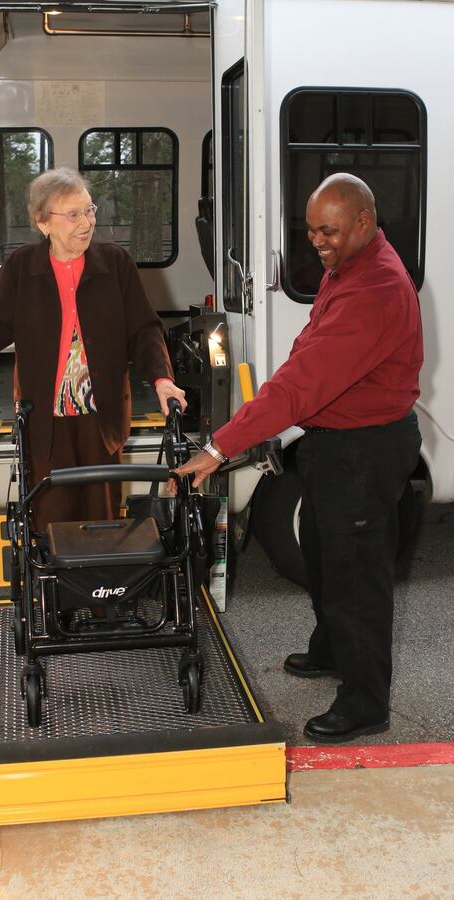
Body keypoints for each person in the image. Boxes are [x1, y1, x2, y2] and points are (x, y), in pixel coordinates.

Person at [174, 173, 423, 744]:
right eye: (311, 230)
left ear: (365, 221)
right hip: (336, 444)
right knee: (320, 548)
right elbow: (307, 357)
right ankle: (333, 648)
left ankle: (365, 703)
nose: (317, 241)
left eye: (329, 230)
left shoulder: (376, 288)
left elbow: (300, 385)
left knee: (357, 575)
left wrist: (219, 447)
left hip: (364, 449)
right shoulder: (352, 267)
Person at [0, 167, 185, 528]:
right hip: (45, 420)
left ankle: (101, 585)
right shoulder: (22, 266)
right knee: (51, 520)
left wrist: (162, 380)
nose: (86, 222)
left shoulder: (116, 263)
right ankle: (53, 585)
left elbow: (144, 329)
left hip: (100, 414)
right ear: (43, 222)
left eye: (90, 210)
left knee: (102, 518)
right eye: (73, 214)